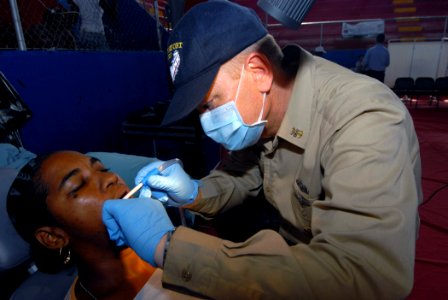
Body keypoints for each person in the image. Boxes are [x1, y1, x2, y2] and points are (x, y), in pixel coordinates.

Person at [102, 1, 422, 299]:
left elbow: (365, 274)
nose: (206, 122)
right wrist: (193, 192)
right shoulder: (262, 111)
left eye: (209, 104)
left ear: (259, 72)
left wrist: (168, 249)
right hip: (292, 243)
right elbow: (245, 175)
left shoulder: (362, 118)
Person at [7, 150, 198, 299]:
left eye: (103, 169)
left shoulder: (185, 246)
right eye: (78, 185)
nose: (111, 178)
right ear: (53, 237)